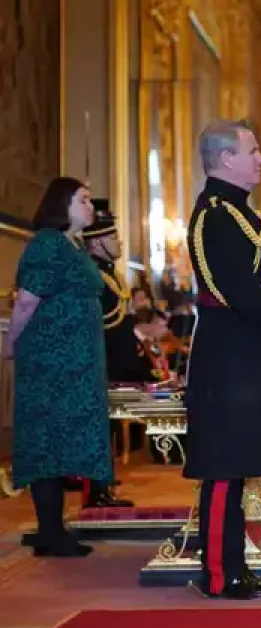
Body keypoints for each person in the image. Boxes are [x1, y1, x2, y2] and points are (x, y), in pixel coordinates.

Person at [185, 119, 261, 599]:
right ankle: (220, 574)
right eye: (253, 151)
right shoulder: (214, 215)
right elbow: (238, 288)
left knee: (236, 465)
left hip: (248, 354)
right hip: (229, 357)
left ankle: (234, 568)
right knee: (223, 466)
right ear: (226, 159)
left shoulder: (237, 214)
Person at [1, 177, 111, 557]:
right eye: (82, 200)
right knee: (47, 439)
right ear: (61, 204)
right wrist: (10, 342)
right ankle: (50, 532)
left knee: (62, 439)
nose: (90, 207)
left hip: (74, 363)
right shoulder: (48, 243)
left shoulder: (72, 245)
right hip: (51, 362)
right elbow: (28, 300)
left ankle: (52, 527)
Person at [80, 199, 136, 508]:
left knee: (108, 427)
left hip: (116, 362)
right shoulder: (93, 276)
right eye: (113, 237)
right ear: (98, 240)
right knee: (99, 427)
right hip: (102, 361)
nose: (119, 243)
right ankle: (97, 491)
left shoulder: (110, 275)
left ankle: (103, 487)